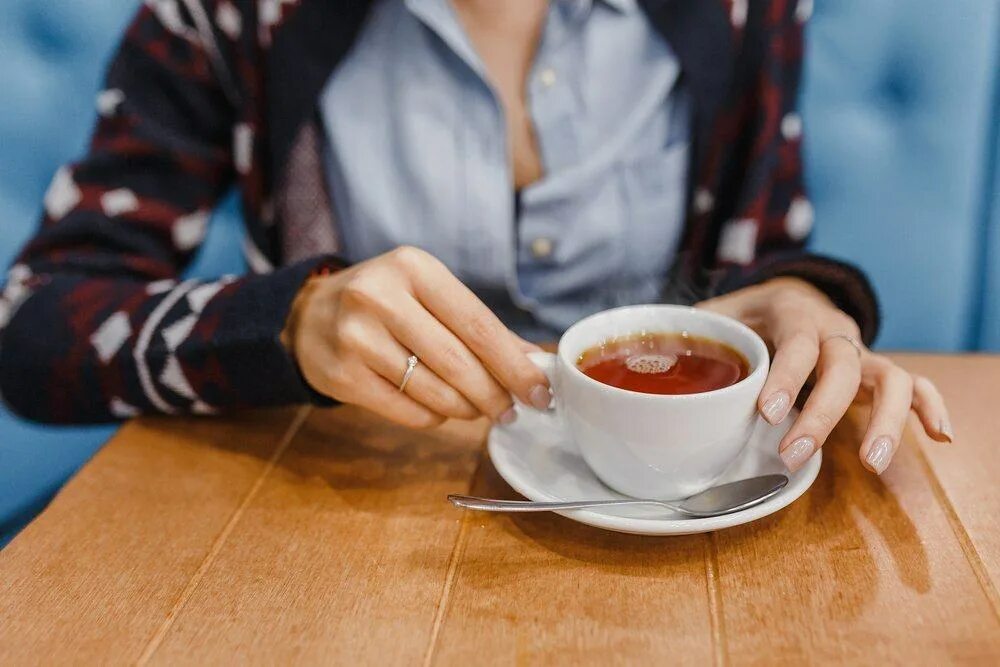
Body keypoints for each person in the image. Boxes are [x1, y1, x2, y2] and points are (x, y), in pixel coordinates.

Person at [0, 0, 951, 476]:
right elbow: (34, 327)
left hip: (663, 522)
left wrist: (800, 299)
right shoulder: (235, 15)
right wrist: (288, 323)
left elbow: (761, 262)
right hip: (339, 515)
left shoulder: (742, 11)